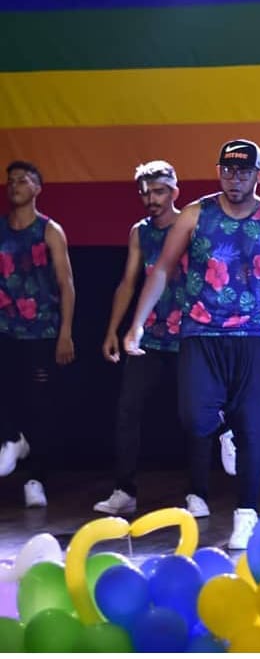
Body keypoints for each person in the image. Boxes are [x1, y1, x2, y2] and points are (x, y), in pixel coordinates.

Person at [123, 139, 260, 549]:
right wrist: (136, 324)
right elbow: (163, 269)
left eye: (243, 171)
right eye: (227, 170)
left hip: (254, 333)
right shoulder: (196, 215)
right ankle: (221, 427)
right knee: (194, 419)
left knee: (253, 427)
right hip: (201, 330)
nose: (234, 178)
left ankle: (246, 513)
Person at [93, 161, 236, 515]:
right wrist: (113, 329)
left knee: (195, 415)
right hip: (151, 337)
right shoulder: (140, 232)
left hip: (192, 334)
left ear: (174, 192)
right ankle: (124, 490)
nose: (151, 199)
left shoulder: (191, 225)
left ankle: (198, 492)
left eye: (158, 192)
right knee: (128, 409)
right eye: (145, 193)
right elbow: (129, 282)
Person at [0, 161, 76, 507]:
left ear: (37, 188)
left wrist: (65, 333)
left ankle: (36, 479)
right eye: (10, 181)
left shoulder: (49, 231)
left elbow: (66, 284)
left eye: (22, 180)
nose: (14, 185)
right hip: (5, 328)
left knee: (39, 406)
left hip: (42, 331)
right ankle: (12, 438)